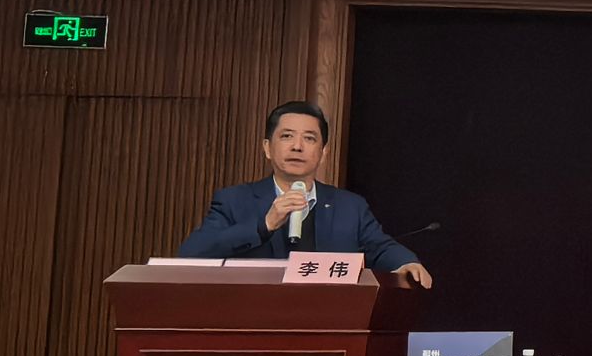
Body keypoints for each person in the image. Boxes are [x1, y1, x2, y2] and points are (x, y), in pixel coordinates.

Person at [178, 100, 433, 287]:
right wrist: (264, 225)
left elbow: (380, 247)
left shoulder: (349, 206)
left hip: (328, 324)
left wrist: (406, 262)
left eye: (309, 138)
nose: (297, 146)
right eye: (287, 136)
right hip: (255, 321)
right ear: (267, 148)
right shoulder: (234, 200)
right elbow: (192, 254)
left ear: (323, 153)